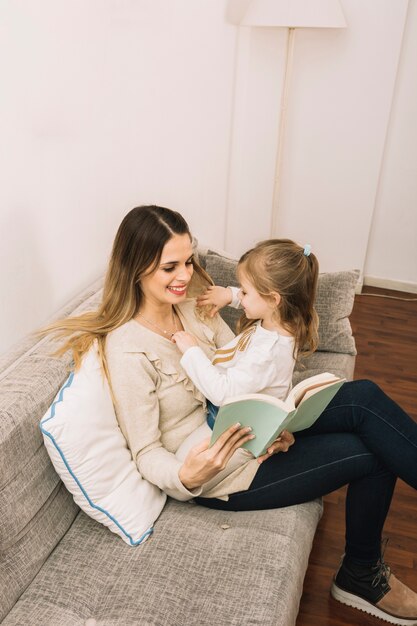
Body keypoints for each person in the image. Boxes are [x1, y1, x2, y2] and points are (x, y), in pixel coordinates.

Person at [45, 205, 417, 625]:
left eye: (188, 261)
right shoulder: (128, 348)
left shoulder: (188, 303)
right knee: (370, 455)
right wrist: (187, 477)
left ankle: (360, 572)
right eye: (170, 267)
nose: (186, 276)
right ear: (136, 268)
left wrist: (276, 424)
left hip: (249, 427)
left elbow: (238, 362)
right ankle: (361, 575)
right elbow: (146, 451)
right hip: (222, 471)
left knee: (364, 396)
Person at [172, 239, 319, 438]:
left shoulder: (266, 354)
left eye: (244, 291)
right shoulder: (284, 319)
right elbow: (260, 301)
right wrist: (229, 295)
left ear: (274, 299)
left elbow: (223, 393)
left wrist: (191, 352)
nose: (240, 295)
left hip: (233, 423)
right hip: (246, 413)